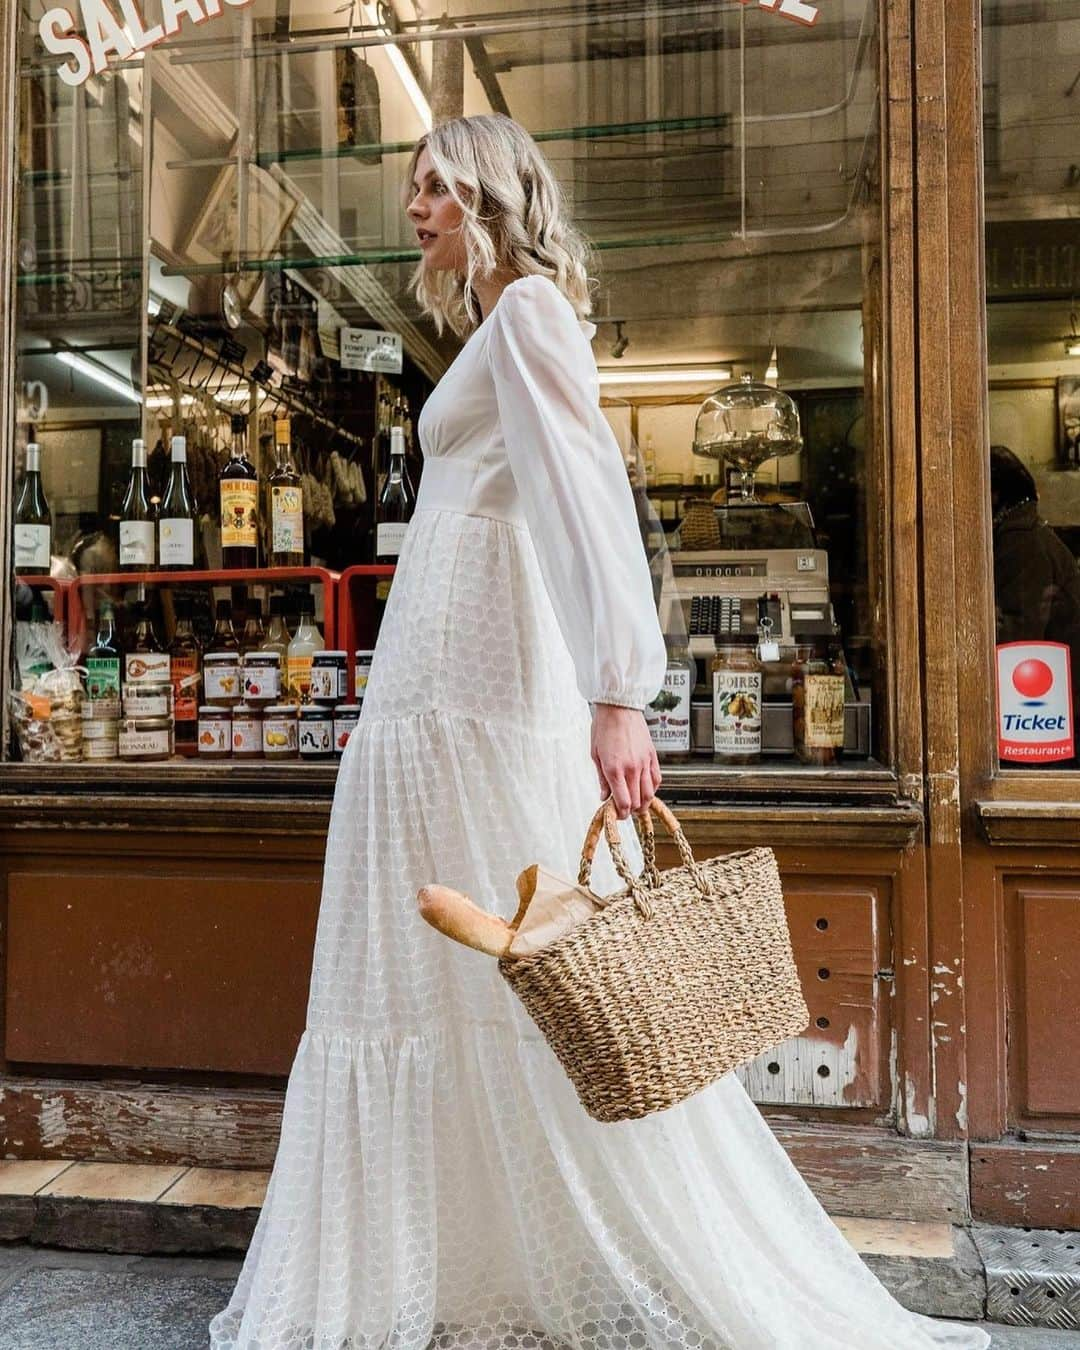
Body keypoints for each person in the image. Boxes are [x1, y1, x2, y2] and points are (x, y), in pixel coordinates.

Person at [209, 114, 989, 1350]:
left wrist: (620, 690)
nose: (415, 211)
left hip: (478, 676)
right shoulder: (497, 321)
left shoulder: (526, 316)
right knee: (441, 965)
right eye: (412, 190)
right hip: (445, 672)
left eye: (437, 190)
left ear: (494, 194)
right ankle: (462, 1255)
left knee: (508, 963)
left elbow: (585, 490)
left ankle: (485, 1253)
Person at [990, 444, 1080, 747]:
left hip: (1046, 707)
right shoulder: (1029, 534)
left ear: (993, 494)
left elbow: (1020, 639)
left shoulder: (1020, 544)